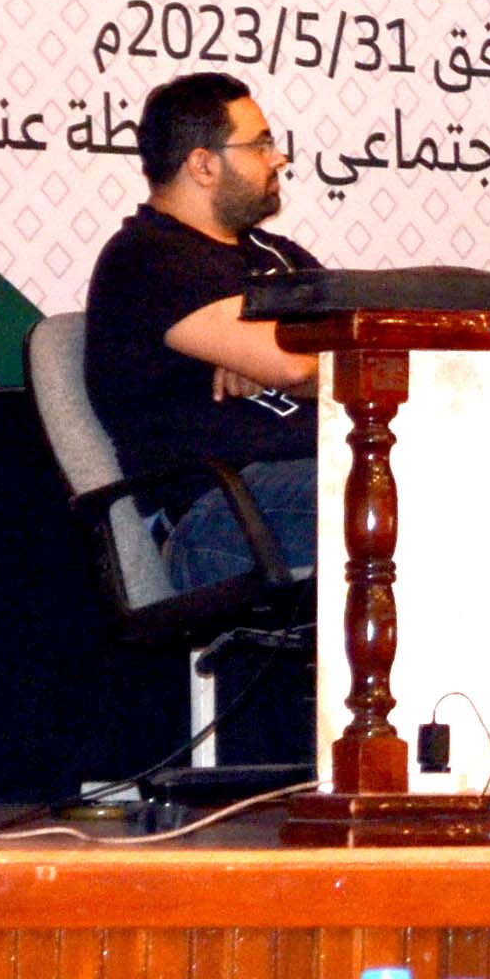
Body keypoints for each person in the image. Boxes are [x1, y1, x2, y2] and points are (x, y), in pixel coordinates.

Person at [81, 72, 324, 594]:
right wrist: (291, 362)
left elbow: (357, 346)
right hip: (220, 515)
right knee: (419, 484)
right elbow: (297, 364)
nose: (278, 158)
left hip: (317, 471)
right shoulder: (145, 258)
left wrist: (277, 356)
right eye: (260, 144)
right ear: (203, 164)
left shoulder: (280, 256)